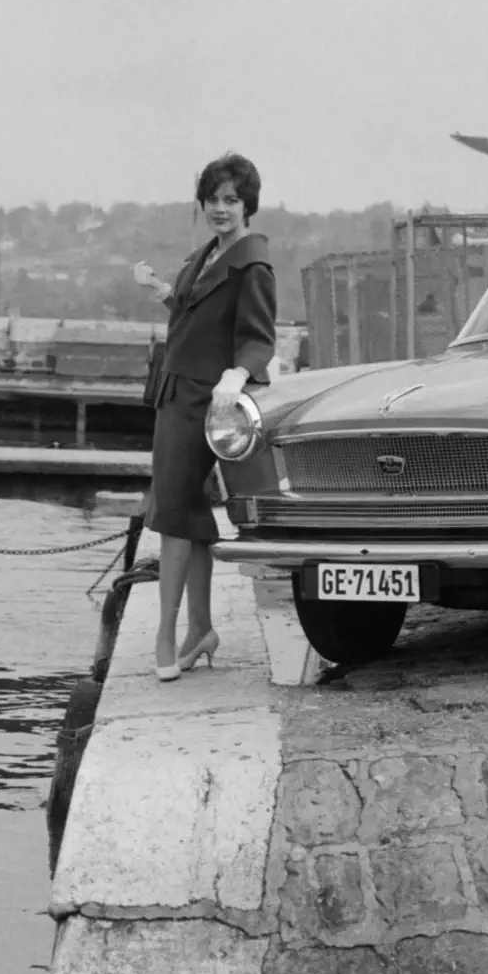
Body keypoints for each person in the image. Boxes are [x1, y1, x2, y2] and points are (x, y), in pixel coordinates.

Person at [132, 152, 276, 682]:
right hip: (175, 397)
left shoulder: (251, 261)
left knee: (171, 513)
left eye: (231, 200)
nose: (220, 208)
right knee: (188, 514)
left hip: (206, 402)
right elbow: (195, 316)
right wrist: (164, 293)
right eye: (213, 199)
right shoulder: (208, 256)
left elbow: (258, 336)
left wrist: (239, 373)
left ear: (247, 205)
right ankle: (200, 630)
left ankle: (168, 634)